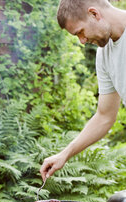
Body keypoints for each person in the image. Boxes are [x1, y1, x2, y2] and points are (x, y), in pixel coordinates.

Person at [40, 0, 126, 181]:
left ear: (94, 14)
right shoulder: (104, 55)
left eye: (80, 32)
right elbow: (104, 116)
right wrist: (64, 154)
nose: (82, 41)